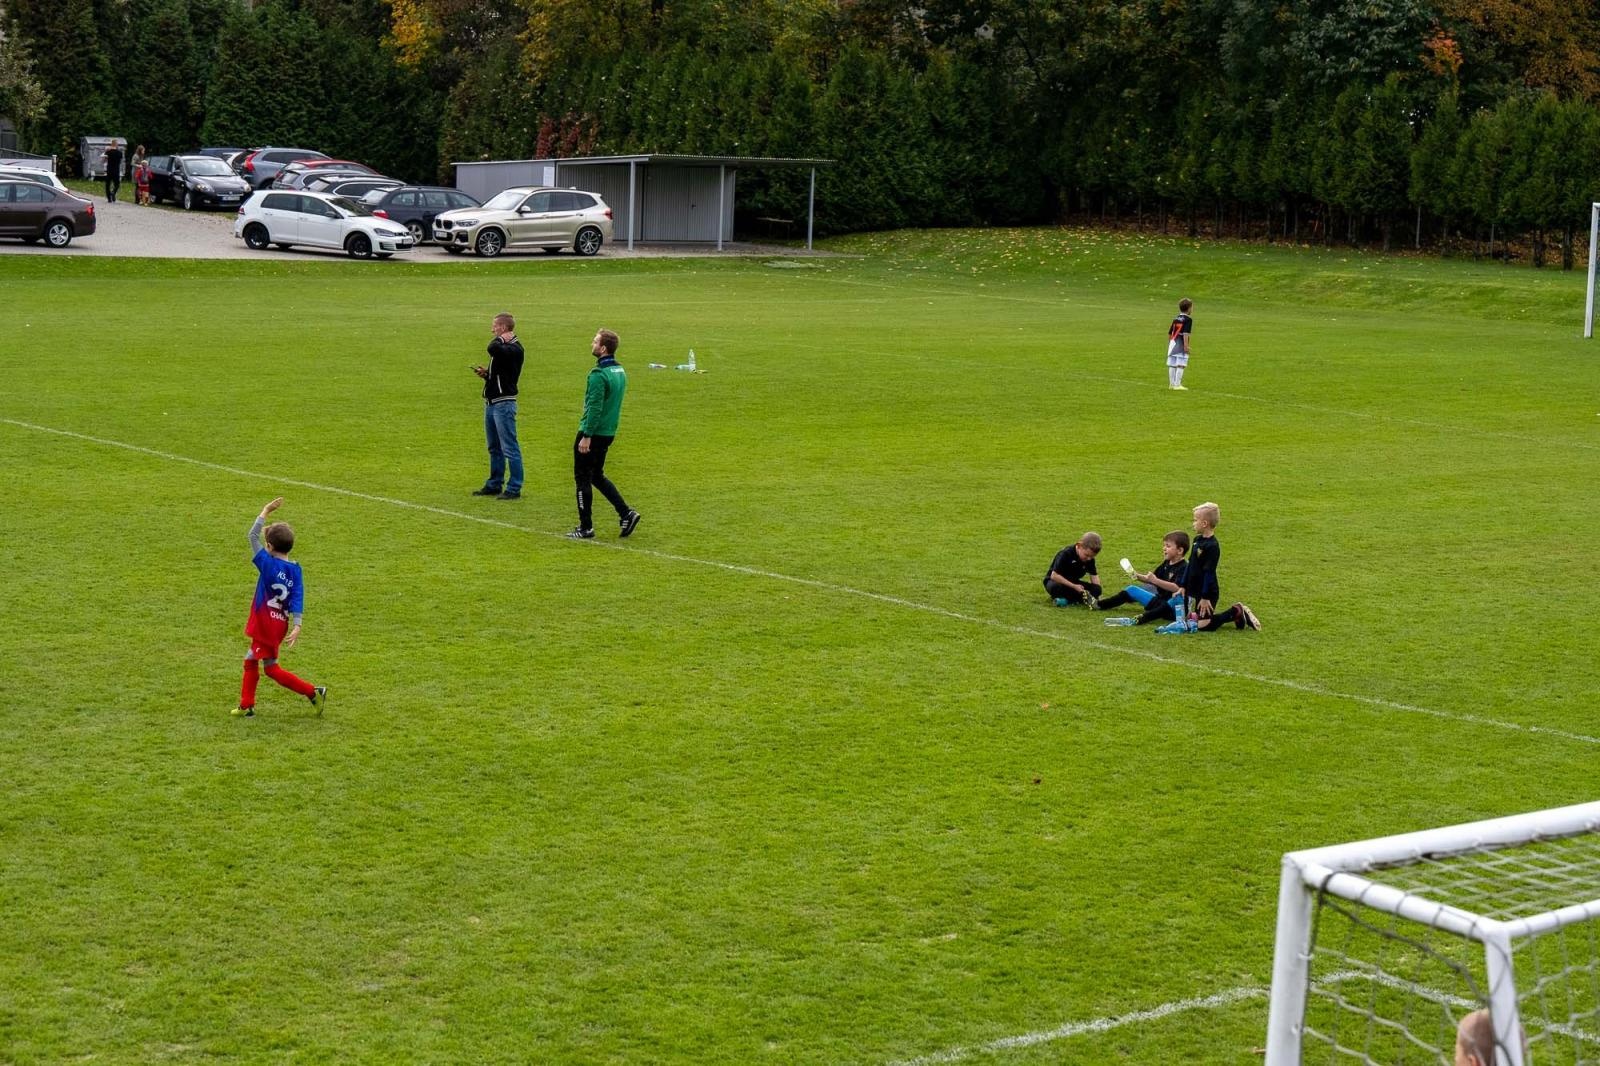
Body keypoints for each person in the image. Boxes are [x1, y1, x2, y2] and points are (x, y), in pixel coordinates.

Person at [233, 497, 326, 717]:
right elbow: (298, 596)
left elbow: (251, 536)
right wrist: (297, 624)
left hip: (265, 623)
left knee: (257, 663)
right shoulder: (295, 570)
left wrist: (265, 510)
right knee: (267, 666)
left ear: (270, 546)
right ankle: (311, 693)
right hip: (279, 624)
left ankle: (249, 706)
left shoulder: (267, 563)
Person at [568, 328, 641, 539]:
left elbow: (595, 408)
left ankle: (585, 527)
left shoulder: (598, 375)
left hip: (593, 432)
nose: (592, 344)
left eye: (595, 342)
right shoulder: (619, 371)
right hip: (609, 431)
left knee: (582, 477)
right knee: (597, 476)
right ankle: (626, 513)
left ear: (603, 348)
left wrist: (586, 435)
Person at [1156, 501, 1261, 633]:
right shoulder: (1197, 540)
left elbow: (1209, 572)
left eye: (1195, 520)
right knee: (1193, 621)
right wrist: (1183, 585)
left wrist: (1205, 597)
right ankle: (1237, 616)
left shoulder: (1212, 546)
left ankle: (1236, 611)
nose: (1193, 523)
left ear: (1204, 523)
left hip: (1207, 589)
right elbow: (1191, 564)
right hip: (1195, 588)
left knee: (1203, 626)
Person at [470, 312, 525, 500]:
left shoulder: (514, 348)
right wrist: (487, 374)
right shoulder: (505, 348)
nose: (492, 329)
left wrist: (501, 338)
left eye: (494, 326)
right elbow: (503, 373)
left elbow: (492, 348)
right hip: (492, 403)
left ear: (502, 327)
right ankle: (494, 483)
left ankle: (514, 487)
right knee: (494, 447)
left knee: (509, 447)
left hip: (504, 404)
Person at [1101, 530, 1190, 626]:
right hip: (1159, 602)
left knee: (1174, 598)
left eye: (1168, 546)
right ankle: (1100, 605)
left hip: (1173, 610)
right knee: (1132, 589)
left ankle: (1142, 619)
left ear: (1180, 551)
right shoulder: (1166, 563)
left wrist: (1155, 580)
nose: (1164, 548)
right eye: (1164, 545)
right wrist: (1136, 575)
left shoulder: (1184, 567)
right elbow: (1150, 580)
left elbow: (1177, 588)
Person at [1043, 532, 1102, 607]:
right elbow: (1054, 576)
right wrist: (1074, 586)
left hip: (1074, 583)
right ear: (1079, 546)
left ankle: (1067, 600)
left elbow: (1094, 576)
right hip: (1057, 582)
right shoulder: (1066, 554)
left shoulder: (1089, 559)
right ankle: (1076, 599)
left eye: (1092, 556)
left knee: (1097, 589)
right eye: (1086, 555)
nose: (1089, 558)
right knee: (1055, 587)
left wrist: (1097, 594)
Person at [1167, 297, 1193, 390]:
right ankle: (1177, 385)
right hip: (1181, 343)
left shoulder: (1176, 318)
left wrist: (1170, 344)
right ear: (1189, 308)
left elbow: (1170, 333)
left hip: (1173, 343)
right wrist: (1186, 346)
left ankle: (1171, 384)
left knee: (1172, 363)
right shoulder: (1188, 320)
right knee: (1181, 364)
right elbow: (1185, 333)